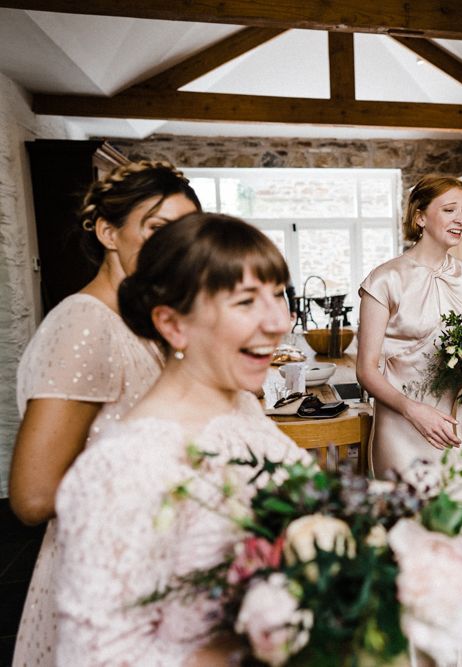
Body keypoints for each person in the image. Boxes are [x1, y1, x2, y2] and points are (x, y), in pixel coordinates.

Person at [53, 212, 306, 665]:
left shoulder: (244, 410)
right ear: (172, 324)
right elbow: (100, 656)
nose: (277, 322)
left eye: (276, 295)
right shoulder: (123, 467)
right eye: (246, 301)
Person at [9, 161, 201, 667]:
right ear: (107, 231)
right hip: (105, 568)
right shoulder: (85, 324)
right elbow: (33, 496)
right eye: (158, 229)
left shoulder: (143, 322)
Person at [357, 175, 462, 667]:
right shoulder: (384, 278)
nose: (461, 219)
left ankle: (461, 656)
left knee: (461, 541)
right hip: (401, 429)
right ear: (420, 217)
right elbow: (366, 370)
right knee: (411, 550)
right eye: (451, 209)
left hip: (455, 426)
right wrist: (412, 408)